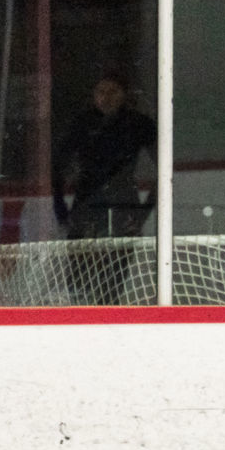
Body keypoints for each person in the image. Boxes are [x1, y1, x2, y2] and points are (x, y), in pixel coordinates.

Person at [52, 72, 157, 303]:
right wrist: (61, 210)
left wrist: (142, 214)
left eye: (112, 92)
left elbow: (165, 169)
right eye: (100, 92)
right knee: (79, 281)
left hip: (123, 208)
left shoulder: (138, 124)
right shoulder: (82, 123)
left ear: (123, 95)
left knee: (112, 282)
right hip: (86, 208)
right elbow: (57, 166)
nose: (105, 98)